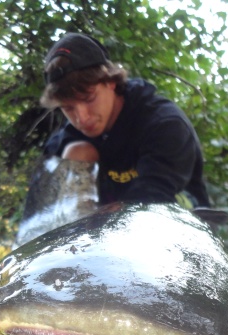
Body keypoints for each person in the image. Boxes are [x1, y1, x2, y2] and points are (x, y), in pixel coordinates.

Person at [41, 32, 211, 208]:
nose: (82, 118)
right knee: (77, 153)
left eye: (89, 99)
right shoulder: (64, 142)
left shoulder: (165, 124)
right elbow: (47, 210)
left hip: (178, 221)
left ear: (111, 82)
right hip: (105, 229)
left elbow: (152, 199)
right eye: (68, 108)